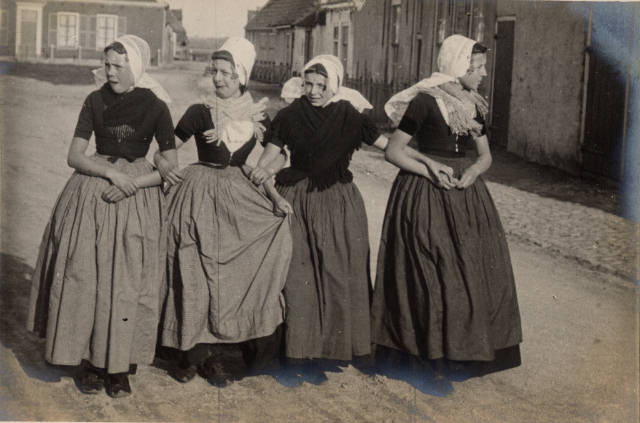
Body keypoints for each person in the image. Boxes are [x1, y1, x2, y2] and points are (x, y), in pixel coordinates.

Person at [27, 35, 178, 397]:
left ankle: (119, 368)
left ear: (136, 67)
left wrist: (134, 182)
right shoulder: (94, 101)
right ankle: (88, 363)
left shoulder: (156, 106)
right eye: (107, 64)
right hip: (93, 190)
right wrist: (110, 173)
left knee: (127, 283)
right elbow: (75, 155)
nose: (109, 71)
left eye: (117, 65)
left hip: (136, 198)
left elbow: (170, 167)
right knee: (86, 276)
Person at [371, 34, 523, 378]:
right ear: (459, 65)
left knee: (470, 269)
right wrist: (429, 167)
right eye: (478, 66)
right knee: (432, 270)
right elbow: (394, 151)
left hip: (465, 193)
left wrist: (471, 171)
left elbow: (485, 157)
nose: (483, 74)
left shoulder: (472, 103)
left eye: (483, 67)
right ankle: (429, 355)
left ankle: (464, 353)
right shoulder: (425, 101)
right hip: (425, 191)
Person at [157, 37, 292, 385]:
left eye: (226, 73)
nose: (218, 79)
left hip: (239, 194)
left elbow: (278, 153)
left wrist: (271, 188)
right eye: (214, 71)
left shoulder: (257, 115)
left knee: (232, 278)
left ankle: (220, 351)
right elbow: (166, 149)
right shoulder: (199, 112)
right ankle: (192, 354)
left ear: (242, 76)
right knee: (195, 270)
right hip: (199, 192)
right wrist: (165, 166)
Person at [251, 55, 393, 384]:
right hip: (297, 199)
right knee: (299, 275)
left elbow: (387, 146)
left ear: (335, 86)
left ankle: (337, 347)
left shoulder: (350, 116)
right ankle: (303, 352)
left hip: (338, 202)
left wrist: (420, 161)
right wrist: (263, 168)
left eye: (321, 85)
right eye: (308, 84)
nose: (314, 91)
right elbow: (272, 152)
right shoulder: (289, 115)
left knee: (340, 272)